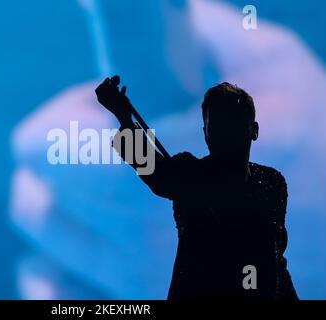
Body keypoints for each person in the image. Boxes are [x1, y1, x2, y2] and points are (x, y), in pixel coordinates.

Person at [95, 75, 298, 299]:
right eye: (218, 125)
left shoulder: (272, 183)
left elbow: (276, 261)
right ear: (205, 133)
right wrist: (123, 117)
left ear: (254, 130)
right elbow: (156, 172)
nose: (225, 132)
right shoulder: (189, 172)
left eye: (233, 122)